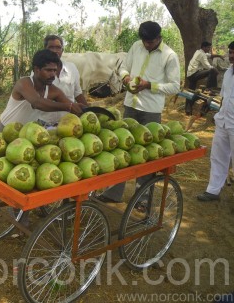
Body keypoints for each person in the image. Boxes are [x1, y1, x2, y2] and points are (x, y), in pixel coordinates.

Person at [0, 49, 87, 204]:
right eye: (48, 70)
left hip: (26, 137)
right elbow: (37, 102)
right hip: (4, 131)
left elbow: (69, 103)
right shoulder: (24, 83)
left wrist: (82, 109)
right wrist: (68, 107)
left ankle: (19, 213)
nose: (53, 74)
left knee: (22, 179)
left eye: (54, 70)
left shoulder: (52, 90)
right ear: (36, 69)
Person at [97, 21, 181, 207]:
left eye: (150, 42)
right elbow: (124, 67)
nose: (146, 44)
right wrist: (126, 77)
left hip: (151, 111)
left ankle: (142, 199)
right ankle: (113, 192)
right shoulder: (136, 46)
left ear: (159, 38)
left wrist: (149, 85)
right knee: (120, 149)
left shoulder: (169, 56)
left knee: (146, 155)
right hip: (130, 106)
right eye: (144, 41)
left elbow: (175, 85)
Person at [197, 41, 234, 202]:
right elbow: (224, 97)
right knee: (218, 156)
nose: (231, 56)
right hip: (223, 121)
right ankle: (213, 190)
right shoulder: (228, 73)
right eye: (230, 52)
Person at [36, 35, 88, 126]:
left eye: (58, 48)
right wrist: (69, 106)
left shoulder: (72, 68)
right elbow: (37, 100)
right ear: (45, 49)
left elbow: (78, 94)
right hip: (44, 123)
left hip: (69, 123)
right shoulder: (38, 71)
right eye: (51, 47)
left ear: (62, 50)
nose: (55, 51)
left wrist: (88, 111)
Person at [185, 41, 223, 115]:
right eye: (208, 47)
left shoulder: (198, 52)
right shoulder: (202, 54)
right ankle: (211, 88)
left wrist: (218, 55)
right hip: (193, 74)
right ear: (204, 47)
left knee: (190, 92)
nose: (209, 49)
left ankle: (188, 109)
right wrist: (215, 70)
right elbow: (207, 66)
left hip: (190, 75)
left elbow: (209, 55)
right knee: (211, 70)